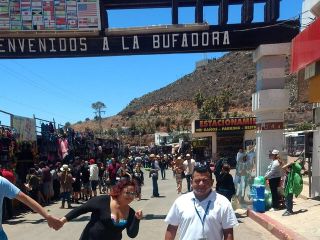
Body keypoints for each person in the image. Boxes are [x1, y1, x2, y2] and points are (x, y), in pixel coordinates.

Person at [164, 165, 238, 240]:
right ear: (191, 182)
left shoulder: (223, 202)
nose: (201, 184)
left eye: (205, 180)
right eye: (197, 181)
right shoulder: (180, 201)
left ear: (212, 182)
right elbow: (172, 228)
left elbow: (228, 232)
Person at [59, 178, 143, 240]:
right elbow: (81, 209)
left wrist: (137, 219)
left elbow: (132, 234)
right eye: (127, 192)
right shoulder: (103, 200)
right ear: (119, 191)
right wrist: (62, 220)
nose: (130, 196)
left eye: (133, 193)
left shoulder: (131, 212)